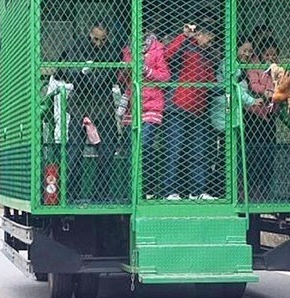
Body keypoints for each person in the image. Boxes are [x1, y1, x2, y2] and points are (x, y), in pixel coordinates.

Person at [57, 23, 119, 202]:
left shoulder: (111, 49)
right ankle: (71, 193)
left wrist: (92, 75)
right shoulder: (76, 46)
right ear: (89, 35)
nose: (99, 44)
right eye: (96, 39)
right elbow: (63, 71)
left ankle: (101, 194)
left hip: (102, 104)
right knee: (75, 150)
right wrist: (82, 72)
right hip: (80, 103)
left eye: (103, 40)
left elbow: (112, 74)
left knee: (107, 150)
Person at [163, 23, 217, 200]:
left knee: (199, 151)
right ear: (200, 34)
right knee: (175, 149)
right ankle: (169, 191)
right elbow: (167, 55)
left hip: (199, 109)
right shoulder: (185, 46)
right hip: (178, 106)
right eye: (209, 39)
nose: (211, 43)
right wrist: (184, 36)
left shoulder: (208, 55)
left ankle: (197, 191)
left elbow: (211, 80)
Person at [117, 32, 171, 199]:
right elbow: (121, 80)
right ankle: (132, 189)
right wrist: (124, 70)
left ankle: (148, 187)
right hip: (133, 105)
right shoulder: (128, 51)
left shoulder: (157, 50)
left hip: (152, 105)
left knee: (144, 144)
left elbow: (165, 77)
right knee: (130, 147)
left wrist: (146, 70)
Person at [209, 40, 263, 198]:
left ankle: (227, 189)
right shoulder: (230, 63)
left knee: (229, 152)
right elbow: (234, 88)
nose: (247, 54)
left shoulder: (239, 65)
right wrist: (252, 101)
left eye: (250, 51)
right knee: (224, 152)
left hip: (231, 111)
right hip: (224, 110)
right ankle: (221, 190)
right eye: (244, 50)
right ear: (236, 48)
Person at [244, 36, 280, 202]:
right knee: (254, 151)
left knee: (269, 151)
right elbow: (254, 84)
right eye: (267, 55)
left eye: (274, 55)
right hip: (254, 114)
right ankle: (251, 188)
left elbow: (281, 84)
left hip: (270, 113)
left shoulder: (277, 70)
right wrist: (266, 91)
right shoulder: (255, 66)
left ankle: (266, 188)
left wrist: (274, 92)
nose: (270, 58)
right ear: (261, 54)